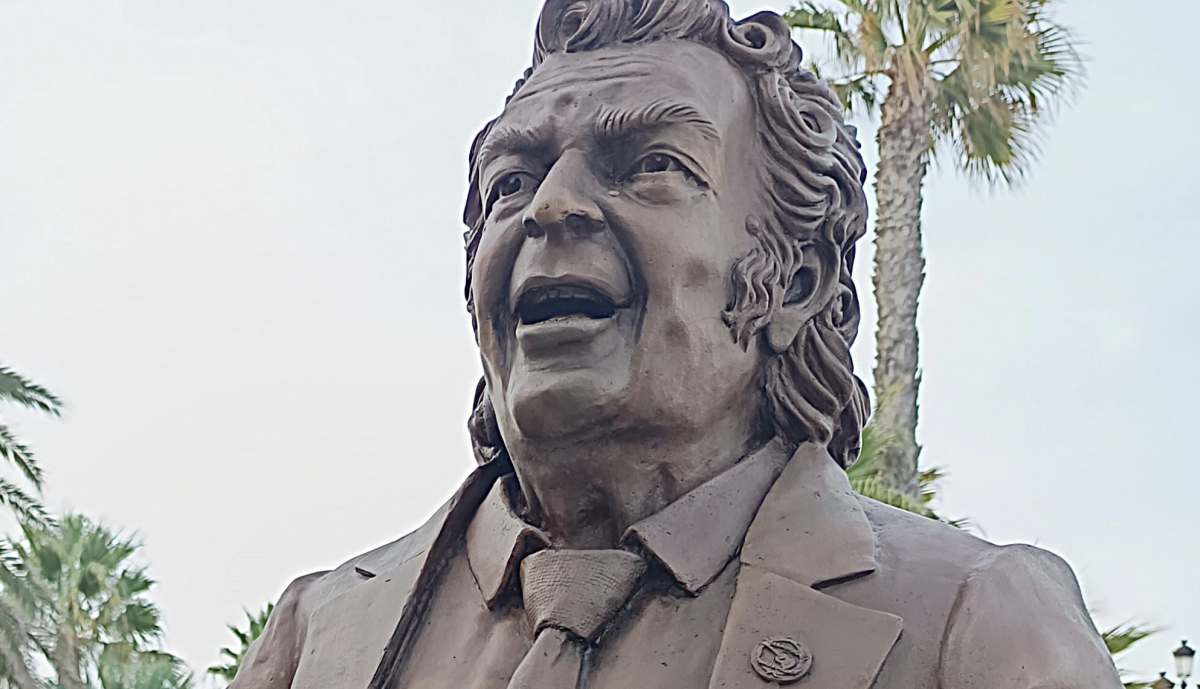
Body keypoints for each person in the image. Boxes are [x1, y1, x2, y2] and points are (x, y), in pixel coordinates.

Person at [231, 1, 1122, 687]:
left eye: (653, 164)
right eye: (512, 179)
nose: (551, 206)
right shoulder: (318, 638)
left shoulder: (981, 622)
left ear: (795, 279)